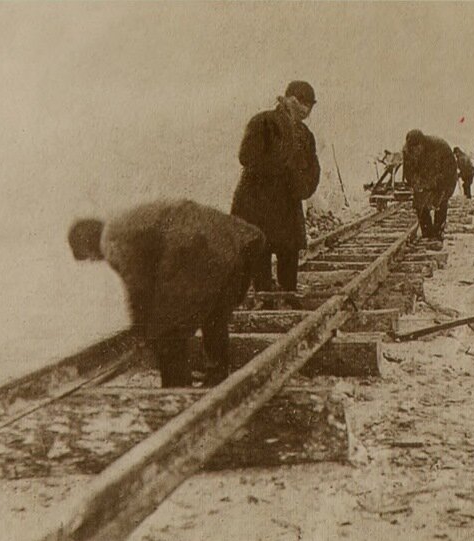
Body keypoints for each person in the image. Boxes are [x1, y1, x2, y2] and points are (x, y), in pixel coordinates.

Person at [67, 200, 265, 387]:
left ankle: (176, 389)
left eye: (89, 257)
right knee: (213, 313)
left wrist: (142, 330)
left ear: (88, 246)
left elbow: (138, 287)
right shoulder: (126, 224)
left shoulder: (110, 239)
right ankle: (217, 377)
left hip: (196, 246)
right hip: (233, 242)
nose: (95, 260)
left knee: (167, 331)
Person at [231, 81, 320, 302]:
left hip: (287, 204)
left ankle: (287, 300)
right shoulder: (263, 121)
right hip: (259, 202)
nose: (306, 110)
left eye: (310, 106)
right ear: (290, 99)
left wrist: (303, 188)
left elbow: (313, 167)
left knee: (288, 254)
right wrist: (281, 168)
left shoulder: (305, 134)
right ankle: (265, 302)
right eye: (303, 104)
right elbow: (246, 156)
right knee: (261, 253)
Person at [402, 129, 458, 240]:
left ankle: (438, 234)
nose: (415, 152)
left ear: (422, 144)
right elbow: (408, 173)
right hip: (424, 180)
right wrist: (415, 182)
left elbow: (449, 173)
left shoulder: (440, 147)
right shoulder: (407, 152)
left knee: (440, 202)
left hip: (443, 180)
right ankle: (427, 233)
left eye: (417, 148)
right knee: (419, 203)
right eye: (412, 150)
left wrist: (433, 183)